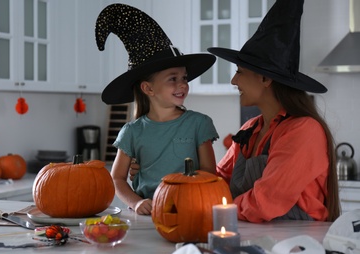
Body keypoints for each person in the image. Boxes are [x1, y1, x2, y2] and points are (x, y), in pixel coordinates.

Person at [130, 0, 341, 222]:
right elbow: (216, 182)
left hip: (297, 246)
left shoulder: (303, 130)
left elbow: (265, 201)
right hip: (254, 237)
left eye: (240, 72)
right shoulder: (250, 130)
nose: (233, 80)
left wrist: (202, 206)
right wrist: (157, 169)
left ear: (265, 78)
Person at [95, 4, 219, 215]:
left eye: (184, 78)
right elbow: (117, 178)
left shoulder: (199, 124)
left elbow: (209, 172)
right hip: (147, 214)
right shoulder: (131, 131)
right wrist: (136, 203)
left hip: (189, 210)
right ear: (148, 88)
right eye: (173, 79)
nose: (182, 84)